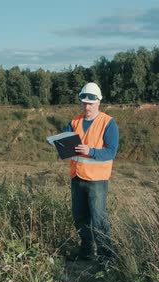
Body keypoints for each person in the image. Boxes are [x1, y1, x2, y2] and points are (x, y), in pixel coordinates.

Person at [63, 82, 119, 261]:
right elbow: (65, 140)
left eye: (91, 103)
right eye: (84, 102)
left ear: (98, 102)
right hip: (77, 177)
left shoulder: (108, 123)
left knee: (99, 219)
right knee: (80, 217)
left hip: (97, 180)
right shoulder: (74, 122)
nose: (87, 106)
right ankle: (86, 251)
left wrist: (91, 151)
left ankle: (106, 256)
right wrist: (59, 144)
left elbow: (111, 152)